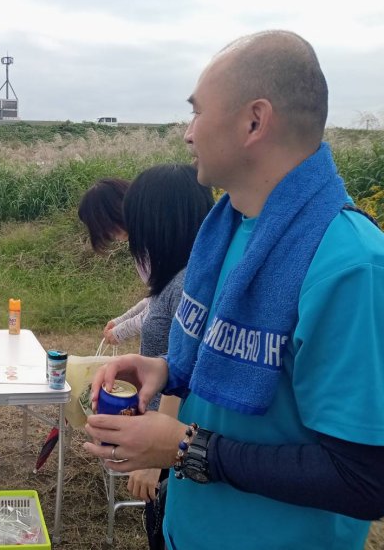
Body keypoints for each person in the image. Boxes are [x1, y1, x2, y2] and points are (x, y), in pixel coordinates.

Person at [84, 31, 384, 550]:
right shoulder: (225, 232)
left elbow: (364, 480)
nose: (188, 134)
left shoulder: (351, 265)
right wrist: (167, 369)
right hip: (186, 531)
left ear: (254, 122)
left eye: (197, 112)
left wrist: (186, 448)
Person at [80, 166, 213, 549]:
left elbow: (185, 370)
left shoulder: (188, 281)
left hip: (174, 438)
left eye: (138, 221)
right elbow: (161, 323)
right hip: (168, 435)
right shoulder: (180, 276)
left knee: (164, 522)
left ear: (161, 221)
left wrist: (158, 458)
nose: (132, 237)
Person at [78, 178, 150, 345]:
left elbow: (166, 307)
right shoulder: (140, 244)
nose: (107, 234)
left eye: (104, 226)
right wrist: (122, 320)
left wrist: (123, 330)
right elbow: (157, 297)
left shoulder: (156, 243)